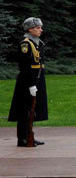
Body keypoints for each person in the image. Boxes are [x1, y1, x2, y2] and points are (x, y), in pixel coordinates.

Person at [8, 17, 48, 147]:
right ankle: (22, 138)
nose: (41, 30)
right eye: (38, 28)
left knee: (33, 109)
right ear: (30, 29)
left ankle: (29, 134)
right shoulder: (26, 44)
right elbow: (24, 66)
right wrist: (31, 84)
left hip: (37, 78)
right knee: (24, 109)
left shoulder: (37, 42)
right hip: (27, 80)